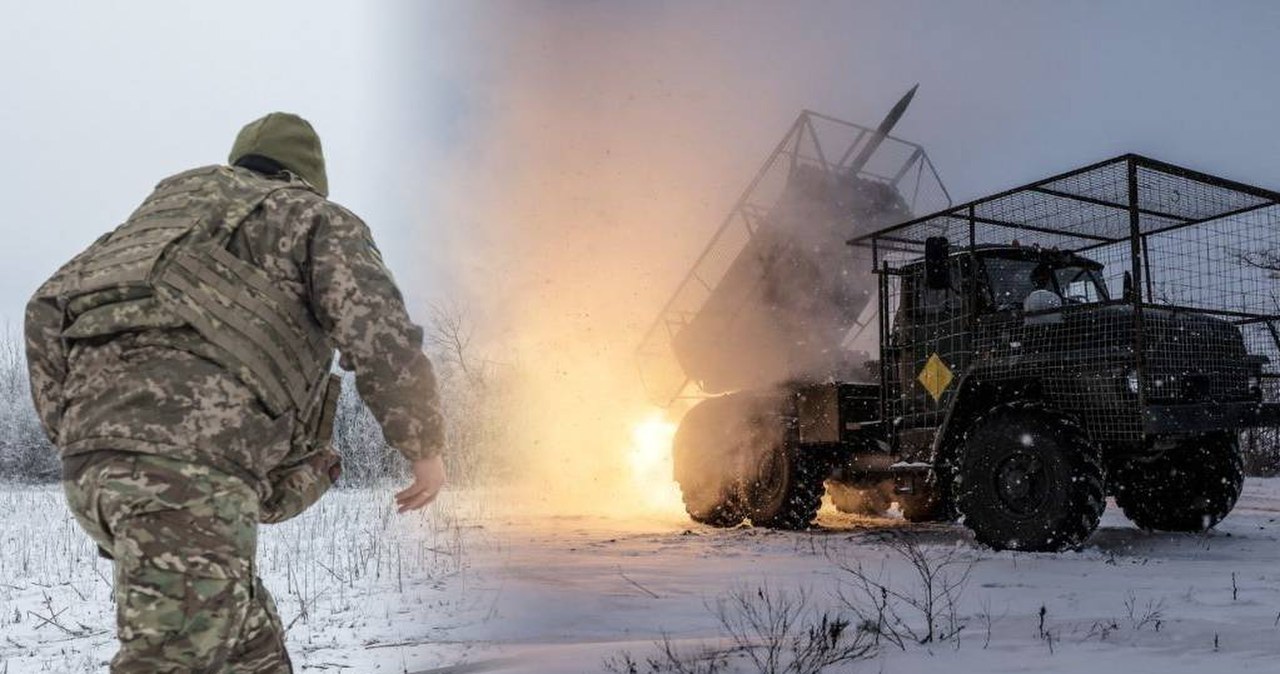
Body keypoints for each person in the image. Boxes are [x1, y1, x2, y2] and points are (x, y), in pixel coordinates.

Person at [24, 112, 447, 672]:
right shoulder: (314, 218)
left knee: (252, 655)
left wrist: (85, 439)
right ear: (305, 176)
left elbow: (43, 309)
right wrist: (424, 447)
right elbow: (378, 333)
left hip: (96, 475)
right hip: (186, 477)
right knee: (176, 660)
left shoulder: (150, 227)